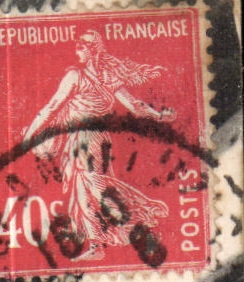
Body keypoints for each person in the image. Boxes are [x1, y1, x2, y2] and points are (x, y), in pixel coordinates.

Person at [22, 30, 177, 262]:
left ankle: (136, 222)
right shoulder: (80, 75)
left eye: (81, 48)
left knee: (94, 185)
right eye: (76, 48)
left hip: (89, 139)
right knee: (82, 189)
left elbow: (134, 105)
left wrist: (160, 116)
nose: (78, 52)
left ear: (93, 49)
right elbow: (52, 106)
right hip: (85, 139)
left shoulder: (96, 76)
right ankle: (97, 244)